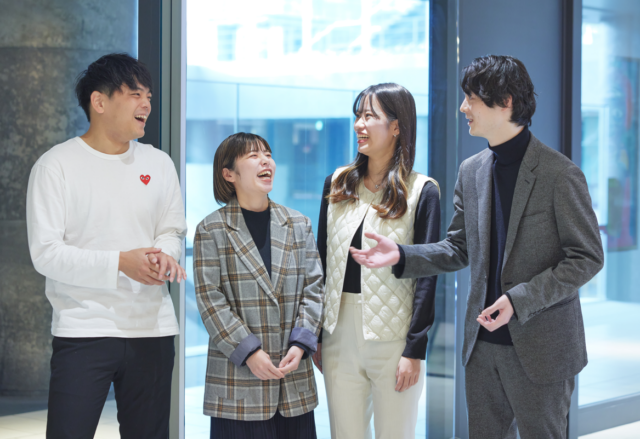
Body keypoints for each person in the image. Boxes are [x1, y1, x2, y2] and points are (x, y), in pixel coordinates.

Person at [350, 55, 605, 439]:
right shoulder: (471, 170)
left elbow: (587, 257)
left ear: (506, 102)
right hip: (481, 348)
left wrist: (519, 300)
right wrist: (403, 254)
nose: (463, 107)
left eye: (471, 98)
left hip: (542, 348)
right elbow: (458, 248)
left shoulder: (560, 174)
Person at [26, 53, 187, 439]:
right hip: (83, 329)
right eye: (135, 94)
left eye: (148, 96)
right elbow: (46, 253)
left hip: (152, 328)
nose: (146, 104)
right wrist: (120, 262)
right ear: (99, 102)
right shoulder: (56, 166)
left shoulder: (159, 163)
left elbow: (171, 230)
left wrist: (165, 256)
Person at [312, 83, 441, 439]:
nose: (359, 124)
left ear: (396, 126)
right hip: (338, 334)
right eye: (358, 116)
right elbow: (321, 262)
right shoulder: (336, 183)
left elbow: (427, 276)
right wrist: (317, 334)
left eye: (370, 116)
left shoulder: (422, 191)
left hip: (395, 338)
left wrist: (415, 349)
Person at [193, 132, 324, 439]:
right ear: (229, 174)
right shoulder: (211, 229)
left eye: (268, 154)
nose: (265, 161)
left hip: (293, 381)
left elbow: (315, 288)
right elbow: (210, 299)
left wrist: (301, 344)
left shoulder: (298, 224)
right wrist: (249, 352)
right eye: (253, 156)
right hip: (238, 383)